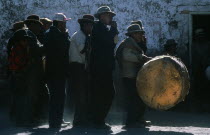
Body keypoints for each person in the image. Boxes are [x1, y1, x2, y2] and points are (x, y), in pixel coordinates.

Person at [116, 24, 151, 128]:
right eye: (139, 33)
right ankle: (130, 122)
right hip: (129, 76)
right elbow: (127, 56)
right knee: (133, 100)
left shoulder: (135, 43)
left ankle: (138, 119)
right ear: (133, 34)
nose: (141, 35)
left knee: (138, 99)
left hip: (134, 75)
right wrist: (141, 57)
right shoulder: (128, 43)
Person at [89, 6, 119, 129]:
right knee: (103, 93)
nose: (110, 18)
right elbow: (108, 41)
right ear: (102, 16)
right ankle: (98, 119)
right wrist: (113, 29)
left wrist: (113, 30)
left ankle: (99, 119)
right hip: (99, 67)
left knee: (108, 93)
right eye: (108, 15)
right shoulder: (97, 28)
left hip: (105, 66)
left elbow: (113, 43)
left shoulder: (106, 29)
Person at [8, 29, 43, 127]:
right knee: (20, 98)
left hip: (20, 75)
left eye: (27, 40)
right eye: (24, 40)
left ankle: (21, 119)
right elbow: (20, 63)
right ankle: (20, 120)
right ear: (20, 41)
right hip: (19, 76)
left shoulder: (19, 48)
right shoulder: (18, 49)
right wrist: (28, 62)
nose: (26, 42)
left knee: (21, 98)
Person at [44, 13, 71, 129]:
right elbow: (64, 48)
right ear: (59, 23)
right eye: (64, 23)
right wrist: (65, 35)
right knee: (57, 97)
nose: (65, 25)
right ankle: (55, 122)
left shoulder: (51, 34)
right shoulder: (56, 35)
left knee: (57, 97)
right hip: (56, 71)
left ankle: (57, 120)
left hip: (54, 71)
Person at [69, 14, 94, 127]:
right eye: (89, 25)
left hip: (81, 67)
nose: (90, 28)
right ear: (84, 26)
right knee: (81, 95)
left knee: (84, 94)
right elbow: (83, 50)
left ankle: (82, 119)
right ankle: (79, 120)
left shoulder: (85, 36)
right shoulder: (79, 36)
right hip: (77, 67)